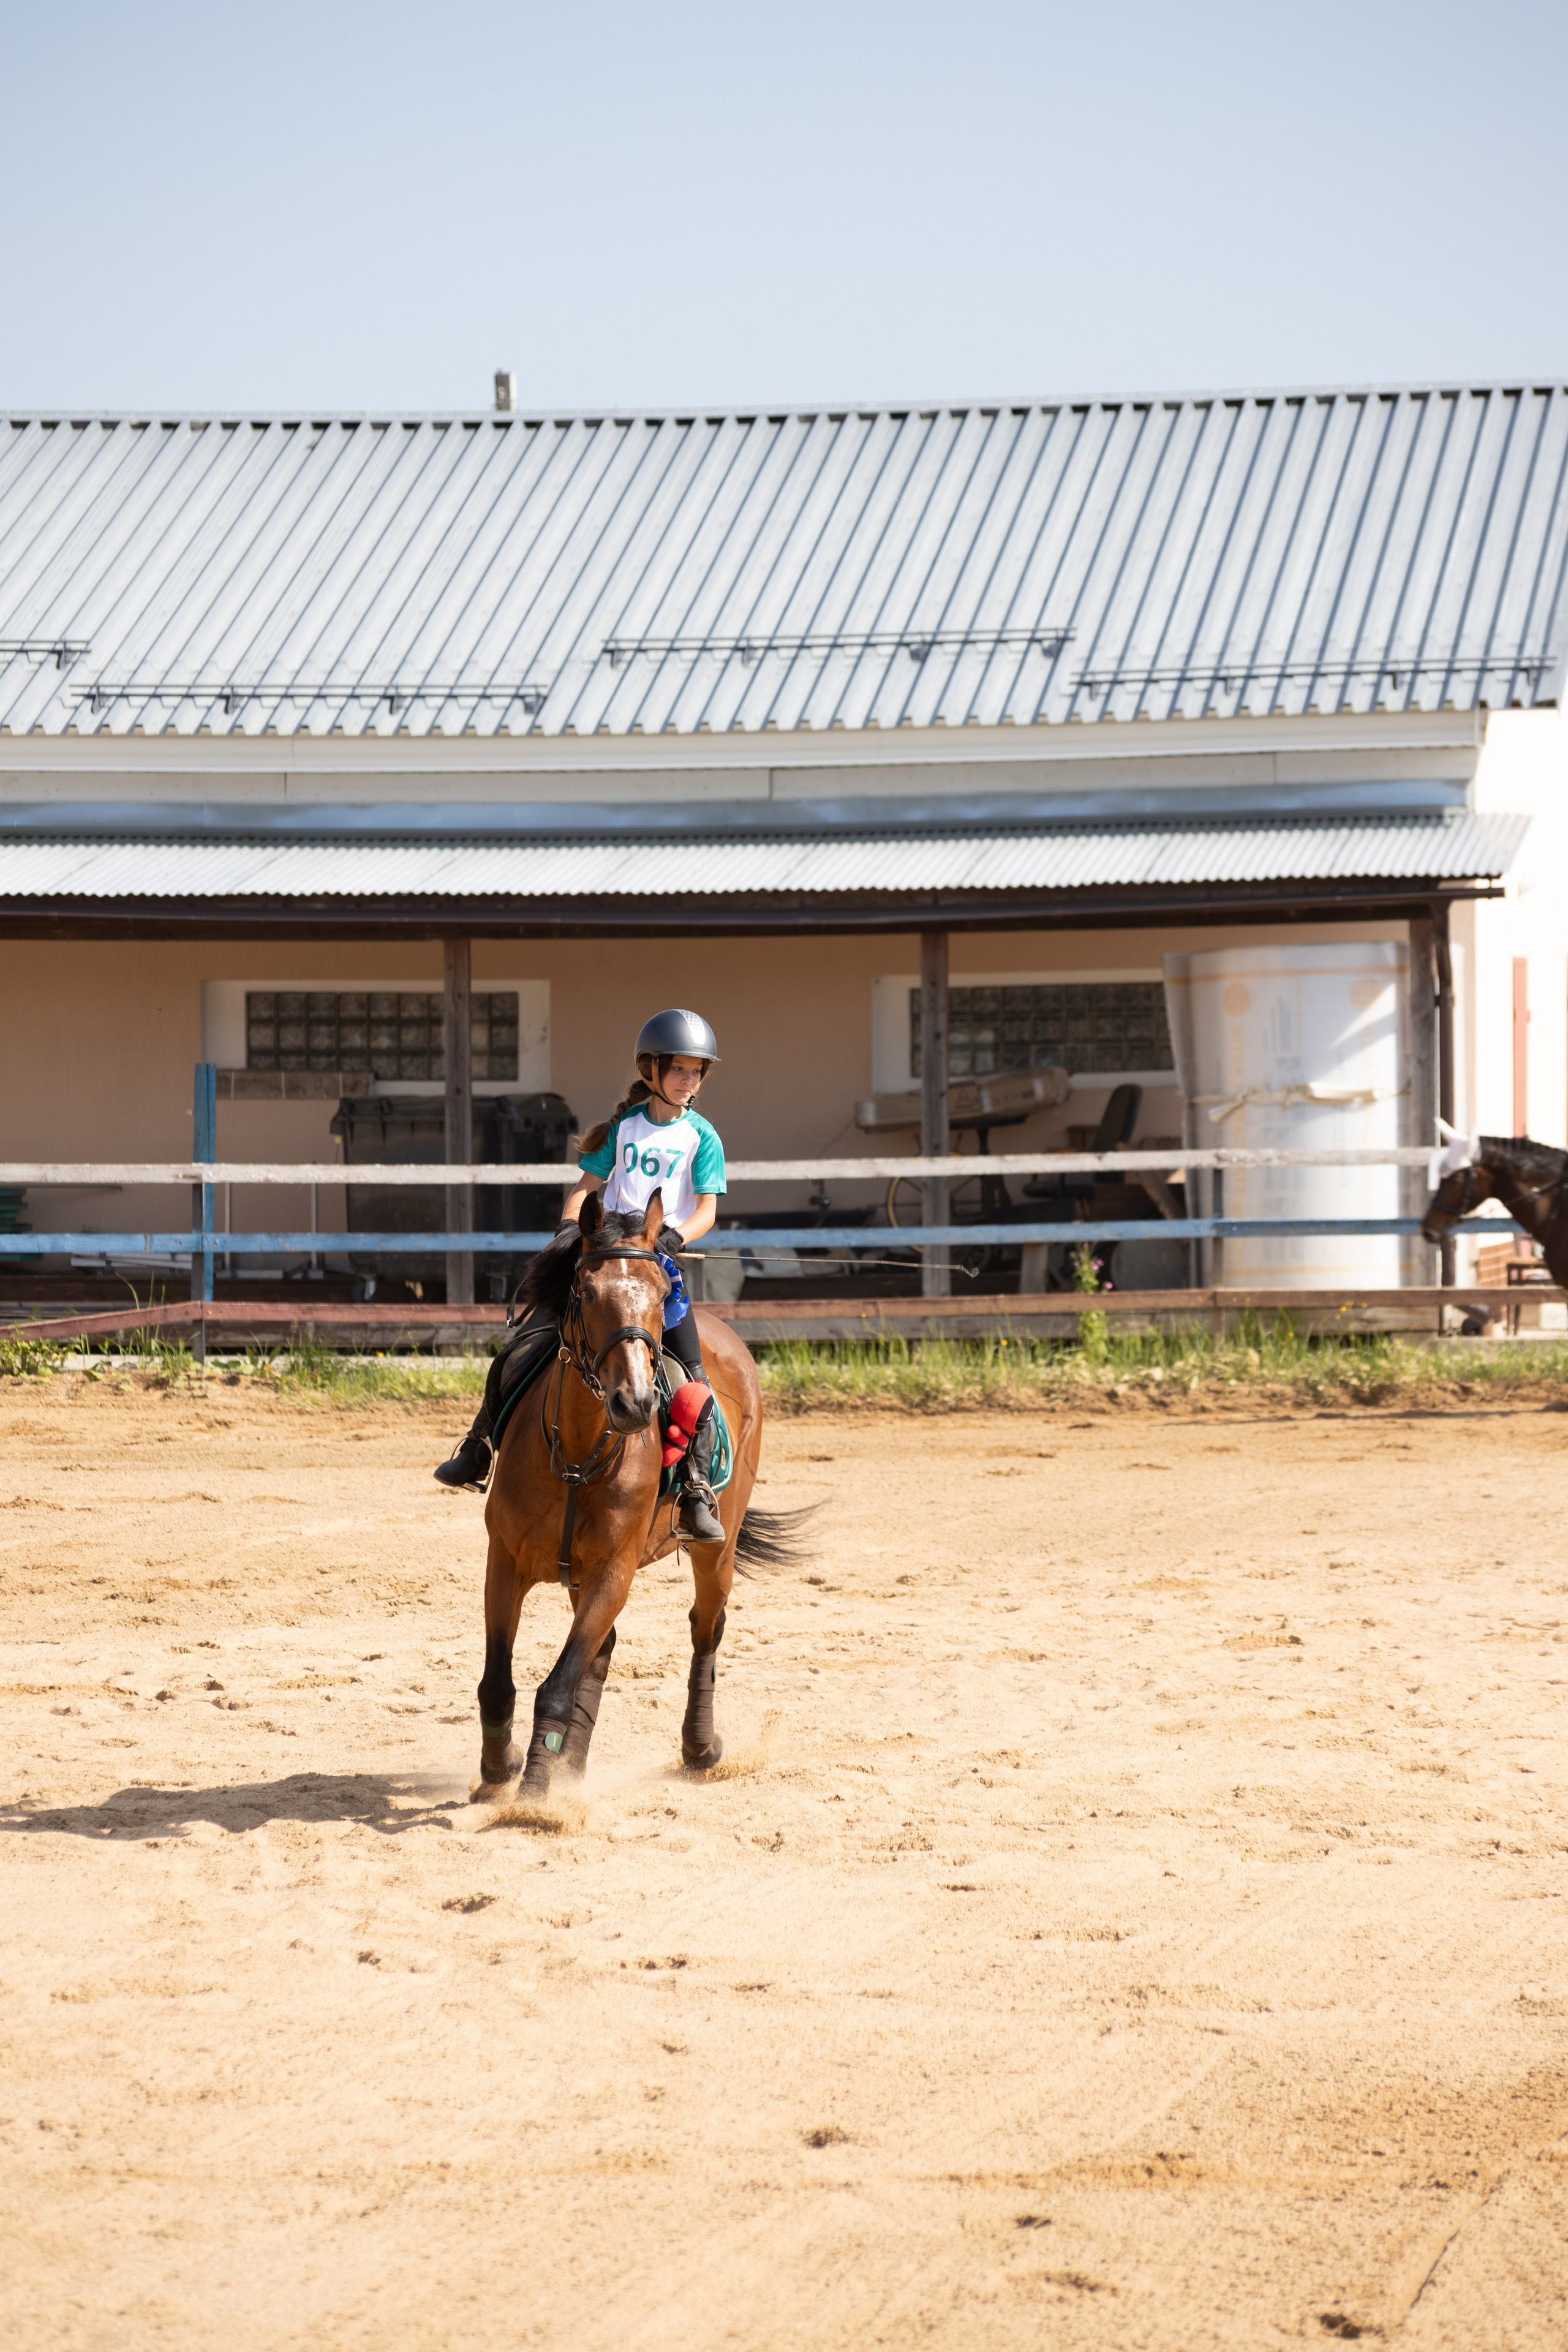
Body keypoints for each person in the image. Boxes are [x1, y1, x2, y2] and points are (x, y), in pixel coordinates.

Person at [433, 1008, 728, 1541]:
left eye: (697, 1072)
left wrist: (674, 1237)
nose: (689, 1081)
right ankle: (479, 1445)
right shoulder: (622, 1128)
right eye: (679, 1070)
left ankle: (695, 1488)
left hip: (655, 1266)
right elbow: (586, 1189)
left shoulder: (703, 1136)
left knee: (693, 1381)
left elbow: (707, 1209)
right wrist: (571, 1230)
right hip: (602, 1255)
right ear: (651, 1070)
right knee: (521, 1349)